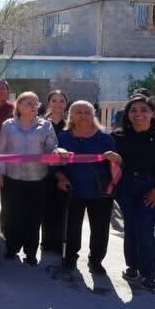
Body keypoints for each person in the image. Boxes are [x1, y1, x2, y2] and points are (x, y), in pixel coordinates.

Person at [106, 94, 155, 291]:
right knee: (130, 227)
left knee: (145, 229)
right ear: (127, 114)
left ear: (153, 113)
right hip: (126, 188)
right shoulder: (118, 137)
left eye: (144, 110)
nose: (139, 114)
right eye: (133, 110)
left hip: (153, 188)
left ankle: (149, 274)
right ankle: (132, 266)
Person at [0, 91, 61, 266]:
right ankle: (12, 248)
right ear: (19, 106)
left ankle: (30, 252)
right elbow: (1, 151)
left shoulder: (46, 126)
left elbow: (52, 148)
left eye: (35, 103)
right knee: (12, 214)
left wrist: (57, 153)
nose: (32, 106)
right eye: (28, 103)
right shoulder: (8, 125)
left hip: (37, 178)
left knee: (34, 216)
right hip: (12, 177)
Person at [54, 101, 118, 279]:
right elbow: (55, 163)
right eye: (78, 112)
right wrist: (61, 177)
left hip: (100, 191)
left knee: (100, 228)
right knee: (72, 226)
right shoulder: (63, 137)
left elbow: (118, 164)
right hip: (73, 189)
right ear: (71, 116)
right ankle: (70, 258)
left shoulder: (105, 138)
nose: (82, 115)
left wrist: (116, 157)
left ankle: (96, 260)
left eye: (86, 112)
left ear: (93, 115)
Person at [41, 90, 70, 259]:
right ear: (49, 103)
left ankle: (60, 243)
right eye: (54, 100)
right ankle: (46, 242)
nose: (58, 104)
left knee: (63, 209)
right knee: (46, 208)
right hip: (44, 172)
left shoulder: (71, 124)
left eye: (61, 101)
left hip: (66, 173)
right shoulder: (42, 124)